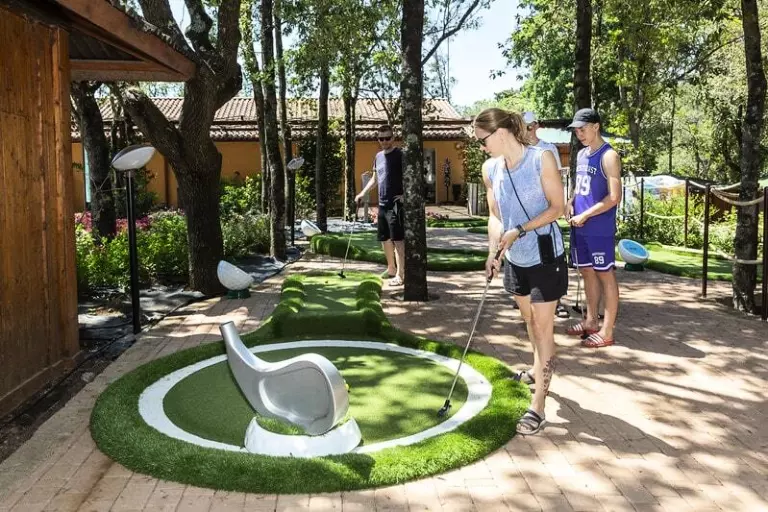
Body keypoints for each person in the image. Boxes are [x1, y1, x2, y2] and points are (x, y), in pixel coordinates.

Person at [475, 107, 567, 435]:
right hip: (516, 258)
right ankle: (538, 367)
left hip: (545, 255)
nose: (481, 147)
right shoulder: (491, 169)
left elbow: (558, 208)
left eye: (483, 140)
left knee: (542, 328)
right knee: (530, 322)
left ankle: (538, 406)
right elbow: (495, 216)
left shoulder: (541, 158)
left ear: (500, 134)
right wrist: (493, 251)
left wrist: (520, 230)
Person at [565, 108, 622, 348]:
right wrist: (570, 202)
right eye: (576, 130)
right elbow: (581, 187)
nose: (579, 134)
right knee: (587, 272)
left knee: (605, 274)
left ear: (596, 126)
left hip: (599, 228)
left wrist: (586, 214)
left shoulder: (609, 156)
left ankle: (607, 331)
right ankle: (590, 321)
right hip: (580, 227)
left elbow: (614, 197)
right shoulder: (581, 154)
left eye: (583, 129)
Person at [523, 111, 570, 319]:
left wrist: (558, 204)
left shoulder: (548, 148)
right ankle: (526, 297)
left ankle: (555, 301)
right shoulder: (519, 149)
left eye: (530, 126)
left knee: (548, 256)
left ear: (536, 126)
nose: (527, 130)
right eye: (523, 126)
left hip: (545, 208)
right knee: (526, 254)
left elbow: (556, 178)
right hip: (526, 209)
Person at [355, 124, 405, 287]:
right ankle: (391, 268)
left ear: (393, 138)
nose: (384, 141)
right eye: (381, 139)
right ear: (378, 139)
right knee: (385, 239)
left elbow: (411, 176)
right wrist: (362, 193)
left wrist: (405, 195)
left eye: (387, 138)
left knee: (398, 240)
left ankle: (400, 275)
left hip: (396, 204)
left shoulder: (400, 155)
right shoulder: (378, 156)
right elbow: (375, 179)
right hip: (382, 204)